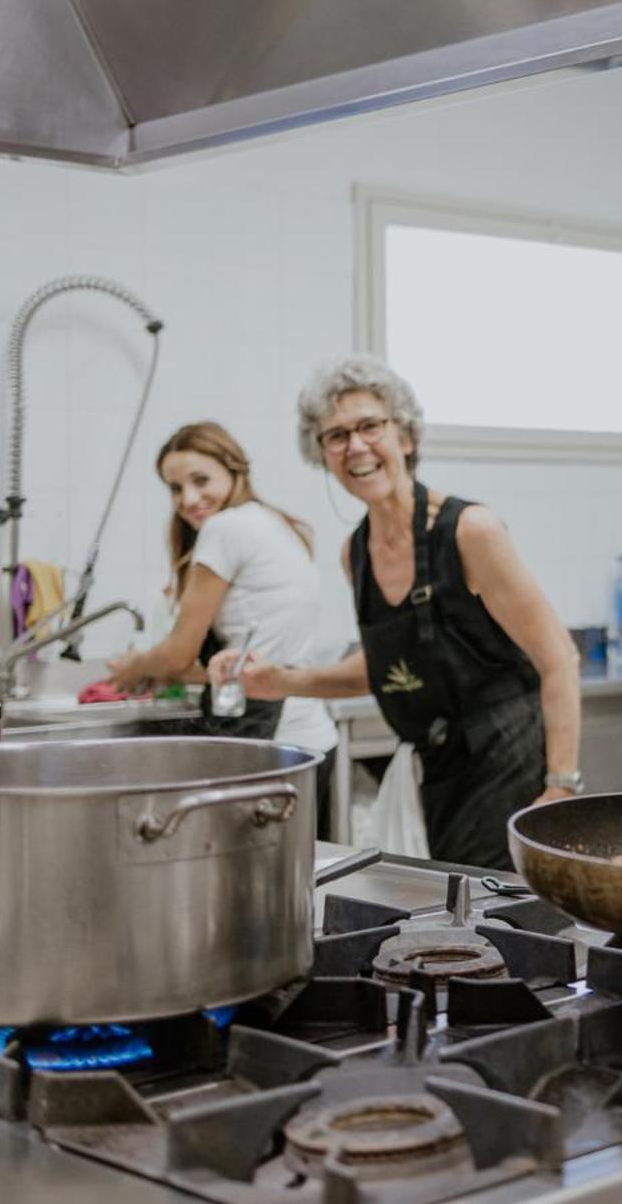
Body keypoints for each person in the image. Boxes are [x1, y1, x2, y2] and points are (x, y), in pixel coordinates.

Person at [212, 356, 583, 870]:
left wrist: (561, 785)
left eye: (370, 426)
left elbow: (558, 657)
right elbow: (387, 667)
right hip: (436, 766)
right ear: (322, 456)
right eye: (336, 436)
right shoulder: (355, 554)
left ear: (405, 437)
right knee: (450, 921)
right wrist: (281, 679)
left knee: (497, 922)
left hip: (508, 761)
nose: (356, 447)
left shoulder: (470, 531)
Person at [104, 422, 340, 833]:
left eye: (201, 480)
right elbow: (248, 657)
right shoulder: (279, 524)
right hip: (311, 740)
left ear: (235, 470)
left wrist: (137, 666)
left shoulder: (225, 528)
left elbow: (179, 652)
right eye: (175, 488)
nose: (188, 499)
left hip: (268, 744)